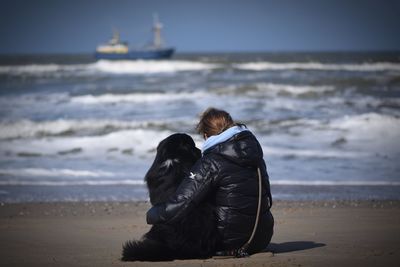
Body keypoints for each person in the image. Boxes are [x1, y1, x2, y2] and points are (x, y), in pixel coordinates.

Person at [146, 107, 274, 256]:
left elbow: (181, 203)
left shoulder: (211, 162)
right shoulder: (255, 154)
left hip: (229, 242)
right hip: (261, 237)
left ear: (206, 135)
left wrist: (152, 214)